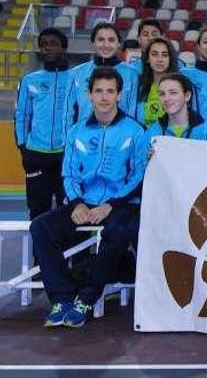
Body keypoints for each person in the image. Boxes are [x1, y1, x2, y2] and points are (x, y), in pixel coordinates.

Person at [30, 67, 147, 328]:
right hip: (84, 202)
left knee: (119, 231)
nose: (104, 97)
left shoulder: (135, 130)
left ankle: (86, 297)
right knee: (40, 227)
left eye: (110, 91)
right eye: (98, 91)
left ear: (119, 94)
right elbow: (68, 175)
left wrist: (110, 205)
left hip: (121, 203)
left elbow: (138, 176)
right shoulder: (76, 132)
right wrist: (77, 203)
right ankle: (62, 298)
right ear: (89, 95)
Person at [14, 28, 71, 219]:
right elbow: (21, 115)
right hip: (36, 155)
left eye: (53, 43)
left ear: (64, 48)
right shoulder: (30, 80)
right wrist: (23, 148)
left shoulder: (76, 79)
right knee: (38, 212)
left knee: (70, 212)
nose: (47, 48)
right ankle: (38, 251)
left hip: (67, 156)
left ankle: (72, 250)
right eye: (44, 44)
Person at [64, 23, 139, 131]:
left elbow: (133, 112)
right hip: (84, 139)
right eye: (101, 39)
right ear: (93, 43)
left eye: (111, 40)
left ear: (118, 44)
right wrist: (68, 143)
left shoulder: (132, 74)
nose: (106, 45)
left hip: (119, 139)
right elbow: (68, 113)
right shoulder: (76, 73)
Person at [144, 73, 207, 148]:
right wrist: (149, 158)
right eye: (162, 94)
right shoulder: (152, 132)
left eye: (173, 93)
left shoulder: (206, 131)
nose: (166, 98)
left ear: (187, 96)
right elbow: (141, 159)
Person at [134, 37, 180, 127]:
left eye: (164, 55)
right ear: (147, 59)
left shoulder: (179, 87)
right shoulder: (138, 86)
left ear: (170, 59)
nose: (160, 59)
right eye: (154, 54)